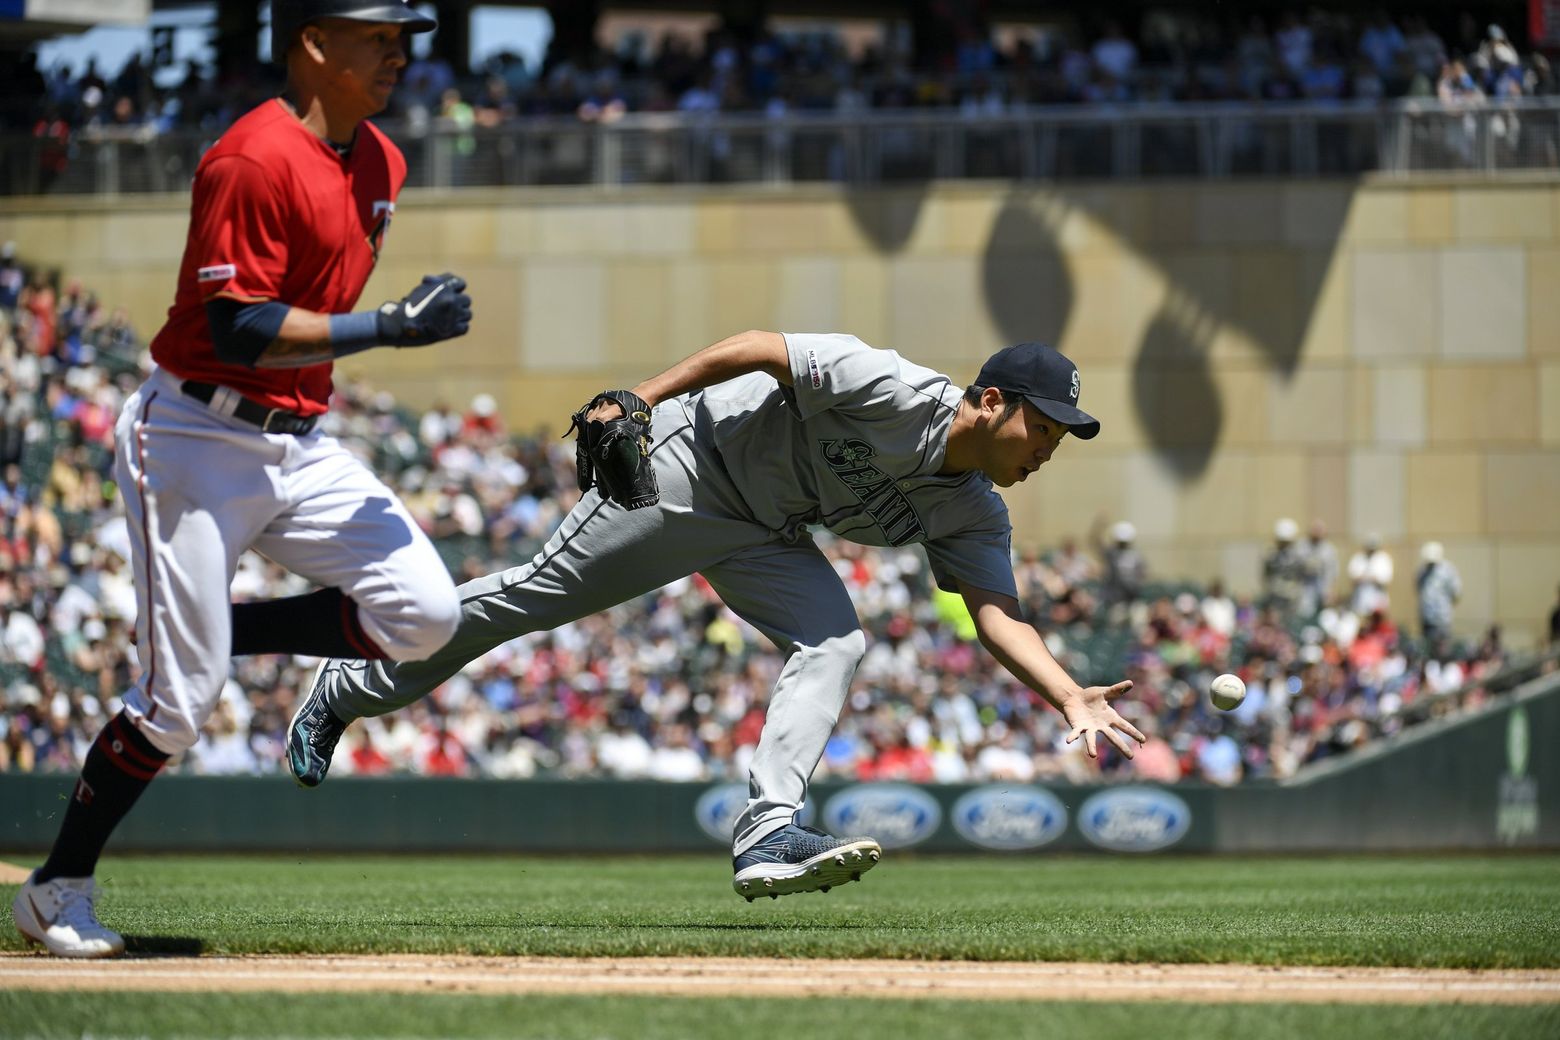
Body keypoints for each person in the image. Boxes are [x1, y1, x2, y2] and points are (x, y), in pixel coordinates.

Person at [288, 332, 1144, 899]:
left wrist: (1068, 693)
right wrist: (641, 399)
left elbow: (996, 613)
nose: (1046, 449)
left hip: (767, 530)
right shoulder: (897, 390)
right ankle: (349, 688)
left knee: (838, 640)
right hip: (690, 468)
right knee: (531, 600)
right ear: (991, 400)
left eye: (1059, 439)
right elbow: (763, 347)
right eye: (1042, 427)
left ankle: (767, 830)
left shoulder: (975, 511)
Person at [11, 0, 470, 960]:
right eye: (376, 35)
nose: (397, 52)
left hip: (300, 441)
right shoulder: (250, 157)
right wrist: (386, 326)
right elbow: (239, 329)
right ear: (312, 43)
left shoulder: (382, 160)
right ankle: (57, 890)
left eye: (401, 38)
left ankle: (229, 631)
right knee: (179, 706)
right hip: (193, 434)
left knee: (426, 616)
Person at [1415, 542, 1461, 650]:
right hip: (1426, 617)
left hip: (1442, 618)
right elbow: (1418, 588)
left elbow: (1456, 592)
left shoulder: (1448, 570)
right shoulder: (1422, 570)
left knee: (1442, 648)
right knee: (1427, 648)